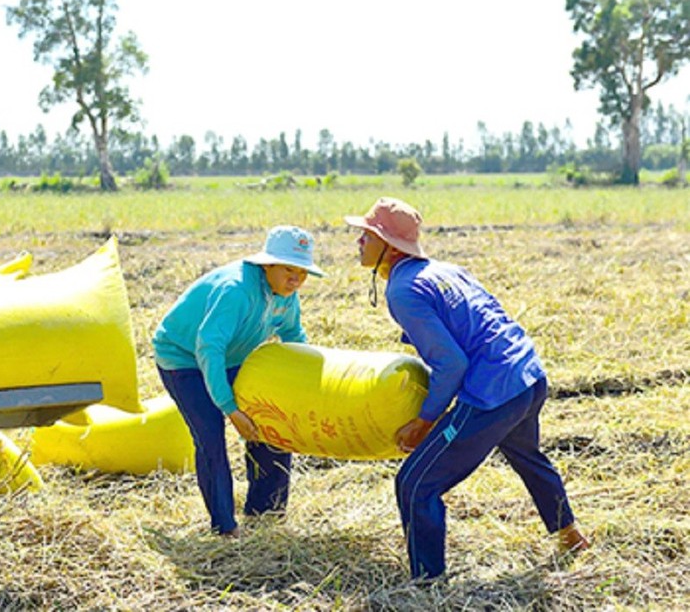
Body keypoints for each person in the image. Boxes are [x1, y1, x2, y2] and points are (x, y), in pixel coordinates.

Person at [344, 197, 589, 581]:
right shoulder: (445, 270)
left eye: (367, 235)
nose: (359, 241)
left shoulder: (404, 290)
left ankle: (428, 584)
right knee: (527, 456)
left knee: (414, 483)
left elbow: (452, 363)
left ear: (389, 248)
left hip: (492, 392)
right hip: (527, 374)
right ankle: (570, 535)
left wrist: (426, 420)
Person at [153, 225, 325, 537]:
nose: (296, 279)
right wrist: (231, 408)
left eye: (303, 272)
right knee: (210, 436)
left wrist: (314, 381)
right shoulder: (236, 291)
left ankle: (266, 512)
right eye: (289, 269)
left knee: (270, 422)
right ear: (267, 264)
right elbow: (209, 347)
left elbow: (294, 338)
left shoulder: (286, 295)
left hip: (233, 356)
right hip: (184, 358)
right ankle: (225, 528)